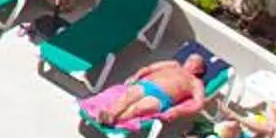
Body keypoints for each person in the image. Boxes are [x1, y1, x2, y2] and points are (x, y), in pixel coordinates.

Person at [79, 42, 218, 127]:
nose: (189, 61)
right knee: (128, 95)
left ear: (200, 70)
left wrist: (177, 111)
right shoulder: (173, 64)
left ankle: (114, 121)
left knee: (138, 108)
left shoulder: (196, 82)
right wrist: (136, 76)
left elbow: (198, 104)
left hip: (163, 97)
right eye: (189, 58)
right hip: (147, 84)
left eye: (194, 61)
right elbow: (149, 68)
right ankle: (109, 114)